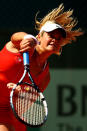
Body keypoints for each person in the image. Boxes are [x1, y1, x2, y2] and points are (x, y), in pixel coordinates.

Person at [0, 3, 83, 131]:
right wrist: (27, 37)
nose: (55, 40)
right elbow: (15, 37)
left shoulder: (45, 77)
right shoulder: (23, 46)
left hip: (4, 110)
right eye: (51, 35)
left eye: (59, 38)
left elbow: (23, 107)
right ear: (39, 36)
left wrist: (20, 94)